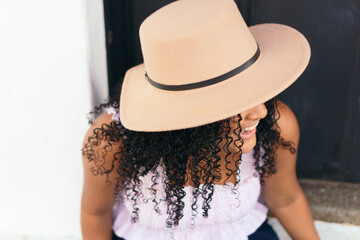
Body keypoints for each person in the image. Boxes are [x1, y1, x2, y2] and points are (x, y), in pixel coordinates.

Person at [81, 0, 320, 239]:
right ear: (188, 109)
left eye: (256, 90)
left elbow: (287, 200)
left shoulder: (276, 126)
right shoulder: (113, 141)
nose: (260, 112)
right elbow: (96, 214)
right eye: (236, 100)